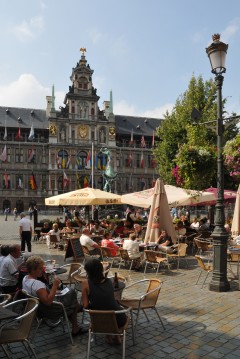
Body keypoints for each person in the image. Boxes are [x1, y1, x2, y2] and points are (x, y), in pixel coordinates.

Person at [22, 255, 86, 336]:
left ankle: (78, 315)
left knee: (70, 296)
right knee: (72, 296)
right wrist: (55, 286)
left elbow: (42, 296)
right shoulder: (38, 285)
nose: (43, 270)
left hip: (38, 308)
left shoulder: (25, 279)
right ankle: (78, 317)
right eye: (40, 268)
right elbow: (48, 302)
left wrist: (54, 291)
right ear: (33, 270)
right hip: (49, 311)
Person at [81, 258, 127, 344]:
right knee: (110, 308)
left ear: (88, 271)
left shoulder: (85, 283)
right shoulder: (109, 281)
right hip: (119, 318)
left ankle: (110, 335)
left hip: (99, 321)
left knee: (102, 309)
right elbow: (109, 300)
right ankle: (115, 336)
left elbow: (85, 305)